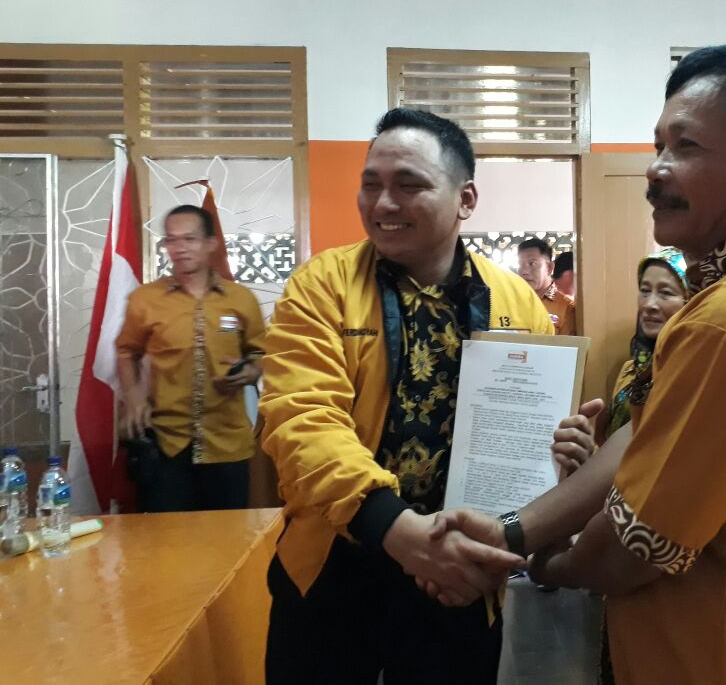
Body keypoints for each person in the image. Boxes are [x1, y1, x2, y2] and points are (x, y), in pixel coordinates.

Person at [433, 42, 726, 683]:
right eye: (659, 145)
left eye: (687, 147)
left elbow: (632, 549)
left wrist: (539, 564)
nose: (656, 170)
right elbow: (649, 434)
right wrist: (513, 532)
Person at [259, 108, 550, 684]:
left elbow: (529, 434)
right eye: (371, 184)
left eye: (409, 185)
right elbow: (301, 419)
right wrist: (394, 528)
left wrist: (562, 447)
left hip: (459, 571)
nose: (383, 203)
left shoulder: (518, 303)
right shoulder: (322, 286)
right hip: (336, 558)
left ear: (465, 199)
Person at [115, 204, 265, 512]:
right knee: (166, 538)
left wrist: (251, 372)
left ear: (211, 243)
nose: (179, 248)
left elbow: (263, 352)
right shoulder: (145, 300)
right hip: (167, 443)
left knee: (228, 536)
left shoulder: (241, 299)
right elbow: (127, 350)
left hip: (227, 443)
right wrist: (133, 397)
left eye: (189, 239)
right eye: (171, 240)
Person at [598, 248, 691, 443]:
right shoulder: (631, 372)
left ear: (692, 301)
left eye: (665, 293)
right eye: (645, 291)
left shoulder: (697, 376)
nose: (649, 304)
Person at [517, 236, 577, 335]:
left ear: (549, 268)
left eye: (532, 264)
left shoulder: (567, 308)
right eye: (520, 265)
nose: (524, 271)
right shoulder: (511, 301)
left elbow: (568, 344)